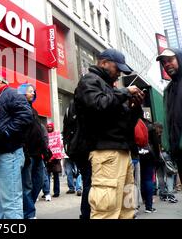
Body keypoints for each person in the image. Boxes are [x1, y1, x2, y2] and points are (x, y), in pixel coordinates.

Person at [74, 48, 144, 219]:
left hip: (123, 153)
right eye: (117, 68)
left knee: (127, 209)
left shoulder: (110, 88)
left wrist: (135, 108)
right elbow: (97, 104)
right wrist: (125, 92)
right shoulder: (89, 80)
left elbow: (125, 124)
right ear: (104, 63)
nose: (119, 73)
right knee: (107, 211)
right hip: (107, 153)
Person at [0, 68, 33, 219]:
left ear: (2, 80)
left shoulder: (12, 93)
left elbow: (26, 115)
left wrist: (5, 133)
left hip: (8, 154)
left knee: (10, 201)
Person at [18, 83, 51, 219]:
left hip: (38, 155)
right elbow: (21, 133)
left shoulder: (34, 111)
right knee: (27, 185)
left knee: (38, 182)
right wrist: (24, 151)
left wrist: (46, 150)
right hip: (28, 154)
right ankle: (29, 214)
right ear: (23, 93)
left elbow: (38, 133)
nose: (33, 93)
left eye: (33, 91)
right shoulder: (19, 110)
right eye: (30, 91)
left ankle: (27, 206)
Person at [156, 48, 182, 181]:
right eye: (164, 62)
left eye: (170, 60)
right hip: (178, 151)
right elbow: (168, 120)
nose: (166, 64)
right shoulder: (168, 89)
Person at [154, 122, 178, 203]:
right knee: (169, 174)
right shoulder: (164, 136)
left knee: (160, 176)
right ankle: (170, 194)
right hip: (165, 155)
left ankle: (163, 193)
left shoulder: (152, 136)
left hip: (156, 156)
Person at [46, 122, 63, 198]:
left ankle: (56, 192)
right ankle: (47, 192)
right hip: (48, 159)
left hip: (55, 159)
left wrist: (56, 155)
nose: (49, 128)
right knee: (47, 177)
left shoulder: (57, 136)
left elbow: (60, 146)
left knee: (55, 176)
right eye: (48, 127)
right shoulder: (46, 136)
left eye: (50, 127)